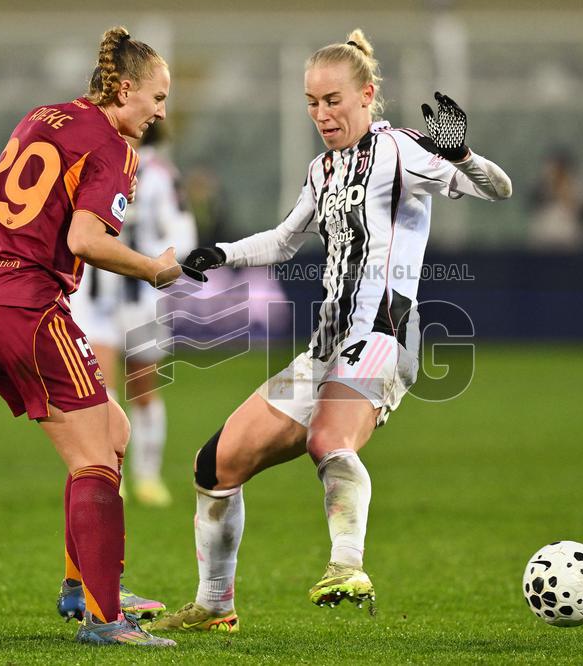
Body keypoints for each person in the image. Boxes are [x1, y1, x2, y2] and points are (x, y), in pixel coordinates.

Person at [146, 29, 511, 634]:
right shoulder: (322, 169)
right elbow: (287, 239)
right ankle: (214, 606)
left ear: (368, 95)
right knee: (215, 465)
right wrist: (220, 254)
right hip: (325, 349)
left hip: (386, 337)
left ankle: (347, 565)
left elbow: (497, 189)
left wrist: (461, 154)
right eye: (313, 102)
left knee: (328, 439)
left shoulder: (403, 150)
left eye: (333, 100)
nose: (322, 113)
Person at [0, 26, 181, 648]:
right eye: (156, 98)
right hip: (25, 307)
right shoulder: (116, 148)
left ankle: (84, 586)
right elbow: (85, 241)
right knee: (94, 458)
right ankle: (107, 621)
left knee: (115, 429)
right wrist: (155, 267)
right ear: (124, 89)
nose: (161, 112)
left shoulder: (44, 114)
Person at [69, 121, 197, 507]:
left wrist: (151, 261)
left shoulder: (160, 175)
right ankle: (110, 474)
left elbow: (183, 234)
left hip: (142, 296)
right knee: (99, 387)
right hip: (95, 297)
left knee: (143, 388)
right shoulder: (93, 165)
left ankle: (148, 476)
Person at [527, 147, 583, 251]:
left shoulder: (582, 186)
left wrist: (564, 190)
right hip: (544, 242)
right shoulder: (541, 187)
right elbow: (534, 204)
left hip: (572, 242)